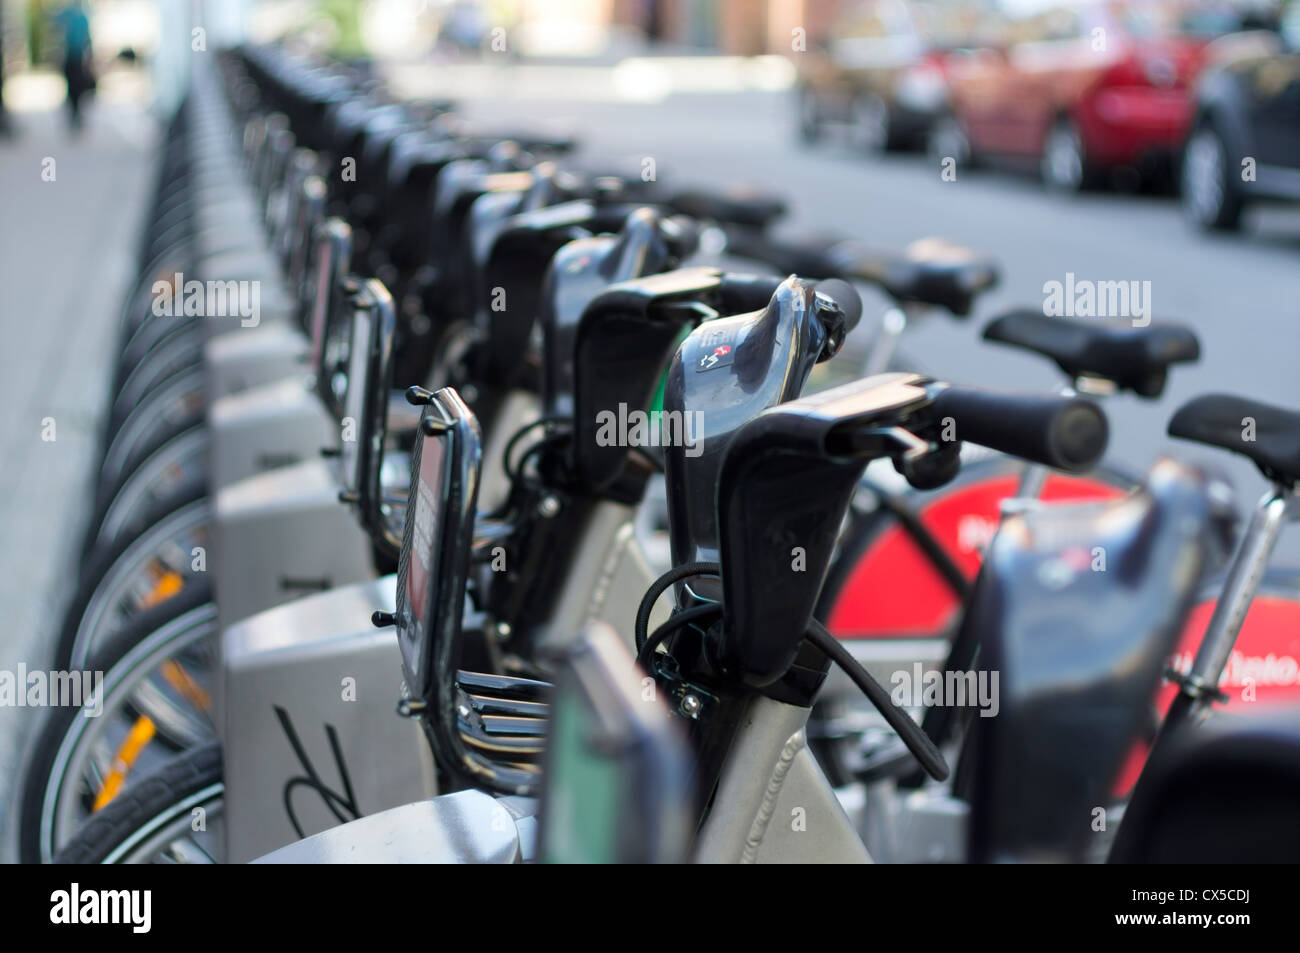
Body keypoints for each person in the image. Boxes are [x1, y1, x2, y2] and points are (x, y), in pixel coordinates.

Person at [53, 1, 93, 131]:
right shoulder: (71, 15)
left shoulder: (79, 17)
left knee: (76, 86)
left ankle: (75, 113)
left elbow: (87, 39)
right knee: (72, 86)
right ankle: (74, 113)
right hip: (70, 57)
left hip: (76, 57)